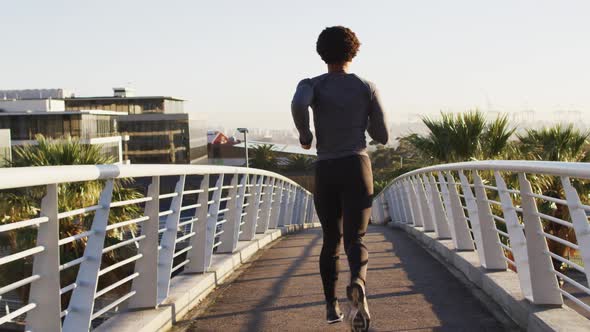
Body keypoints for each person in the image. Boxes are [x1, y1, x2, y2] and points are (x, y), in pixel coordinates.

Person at [290, 26, 389, 332]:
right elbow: (382, 135)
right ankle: (358, 282)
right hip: (357, 166)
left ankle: (332, 306)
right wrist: (365, 120)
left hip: (327, 169)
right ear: (354, 51)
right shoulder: (365, 86)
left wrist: (306, 134)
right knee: (355, 238)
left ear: (322, 53)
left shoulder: (311, 84)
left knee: (331, 239)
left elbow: (298, 104)